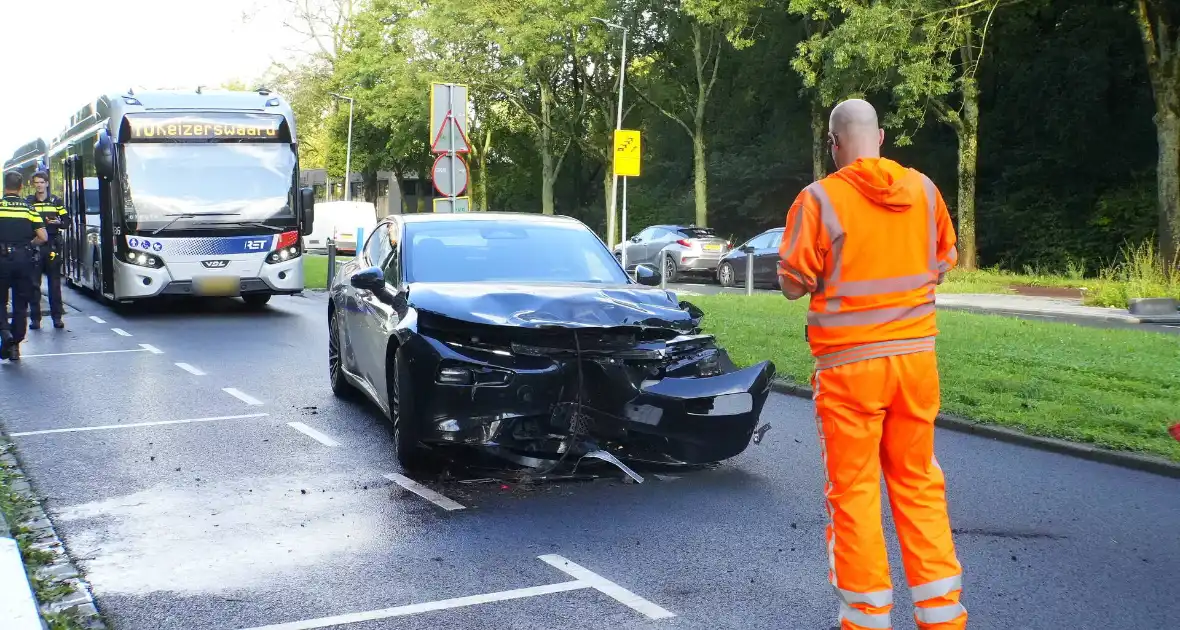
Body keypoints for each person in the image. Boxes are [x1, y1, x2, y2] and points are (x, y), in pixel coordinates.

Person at [777, 99, 966, 630]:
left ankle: (867, 620)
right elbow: (942, 264)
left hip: (850, 370)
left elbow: (793, 284)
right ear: (880, 138)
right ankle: (943, 617)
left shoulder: (819, 200)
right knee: (918, 483)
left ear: (834, 144)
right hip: (915, 363)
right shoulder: (926, 191)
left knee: (855, 492)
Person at [0, 171, 48, 361]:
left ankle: (5, 332)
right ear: (21, 188)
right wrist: (29, 245)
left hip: (1, 259)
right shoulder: (29, 209)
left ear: (5, 187)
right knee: (21, 303)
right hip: (24, 259)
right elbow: (43, 237)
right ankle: (15, 345)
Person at [26, 170, 67, 329]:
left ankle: (57, 318)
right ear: (33, 184)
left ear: (47, 184)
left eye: (42, 182)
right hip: (35, 247)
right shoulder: (28, 202)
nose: (39, 185)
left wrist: (58, 222)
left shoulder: (56, 201)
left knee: (54, 284)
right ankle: (35, 319)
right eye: (36, 182)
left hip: (52, 246)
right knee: (34, 285)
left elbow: (66, 222)